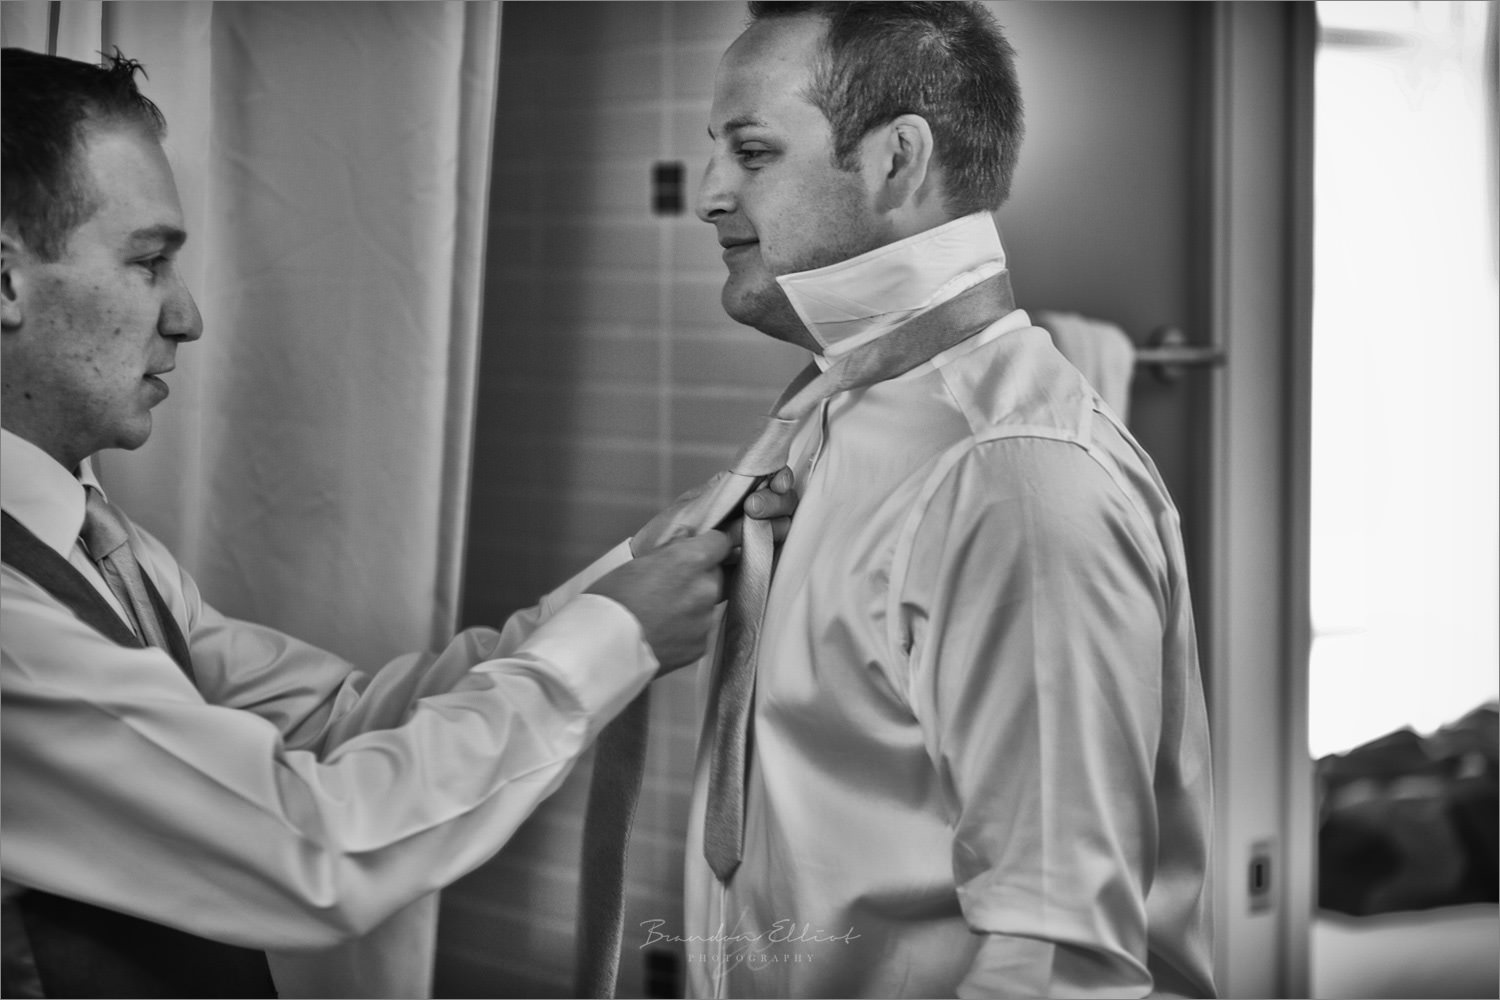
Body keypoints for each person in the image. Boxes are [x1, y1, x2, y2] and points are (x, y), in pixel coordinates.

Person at [0, 47, 794, 998]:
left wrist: (630, 576)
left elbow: (337, 722)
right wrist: (614, 639)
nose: (189, 317)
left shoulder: (96, 544)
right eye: (147, 261)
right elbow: (312, 844)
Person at [677, 3, 1216, 997]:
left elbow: (1058, 965)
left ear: (896, 161)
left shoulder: (1010, 482)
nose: (709, 196)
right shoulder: (837, 418)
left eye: (751, 152)